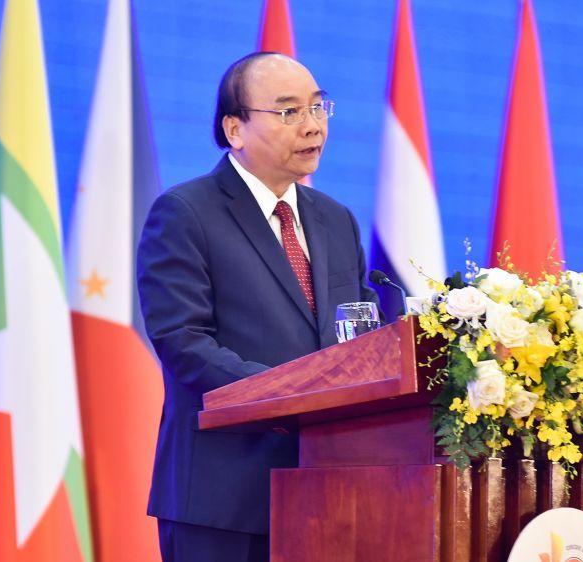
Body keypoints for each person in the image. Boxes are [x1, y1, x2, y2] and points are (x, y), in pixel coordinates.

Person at [136, 52, 379, 562]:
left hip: (328, 493)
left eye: (318, 107)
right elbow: (184, 342)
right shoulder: (185, 213)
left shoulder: (336, 220)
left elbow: (362, 342)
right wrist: (290, 396)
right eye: (289, 112)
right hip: (222, 501)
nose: (312, 125)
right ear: (234, 128)